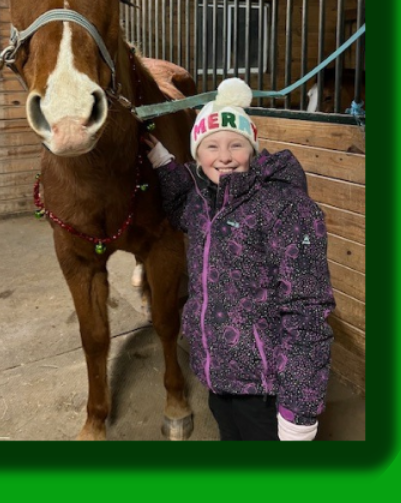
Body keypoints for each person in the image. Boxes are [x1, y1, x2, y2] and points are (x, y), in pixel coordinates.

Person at [144, 77, 335, 441]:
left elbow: (308, 311)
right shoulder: (202, 202)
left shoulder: (285, 208)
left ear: (253, 148)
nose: (225, 156)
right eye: (211, 146)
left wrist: (299, 412)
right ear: (197, 156)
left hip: (265, 390)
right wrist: (161, 161)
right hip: (218, 378)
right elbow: (178, 205)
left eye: (236, 144)